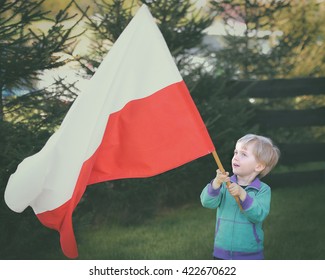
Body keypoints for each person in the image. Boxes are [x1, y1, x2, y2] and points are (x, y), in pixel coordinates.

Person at [200, 134, 280, 260]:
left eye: (243, 154)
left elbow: (258, 215)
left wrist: (243, 194)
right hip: (221, 252)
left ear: (258, 166)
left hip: (249, 255)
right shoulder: (224, 183)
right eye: (235, 152)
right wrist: (216, 183)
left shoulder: (263, 190)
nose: (236, 157)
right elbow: (207, 202)